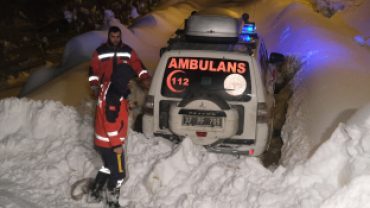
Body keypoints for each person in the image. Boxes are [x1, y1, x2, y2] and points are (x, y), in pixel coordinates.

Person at [88, 63, 136, 208]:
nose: (131, 81)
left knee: (109, 166)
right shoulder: (114, 96)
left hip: (103, 140)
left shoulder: (110, 85)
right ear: (122, 78)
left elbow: (111, 110)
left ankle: (96, 190)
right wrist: (116, 145)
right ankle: (112, 202)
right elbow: (110, 122)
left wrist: (127, 105)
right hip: (110, 142)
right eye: (128, 79)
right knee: (119, 173)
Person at [89, 26, 152, 97]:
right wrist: (94, 86)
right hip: (105, 90)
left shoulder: (128, 50)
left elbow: (137, 64)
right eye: (113, 37)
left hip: (123, 89)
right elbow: (94, 70)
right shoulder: (99, 51)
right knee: (104, 108)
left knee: (123, 108)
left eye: (118, 37)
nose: (115, 39)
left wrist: (145, 77)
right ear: (109, 36)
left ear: (120, 37)